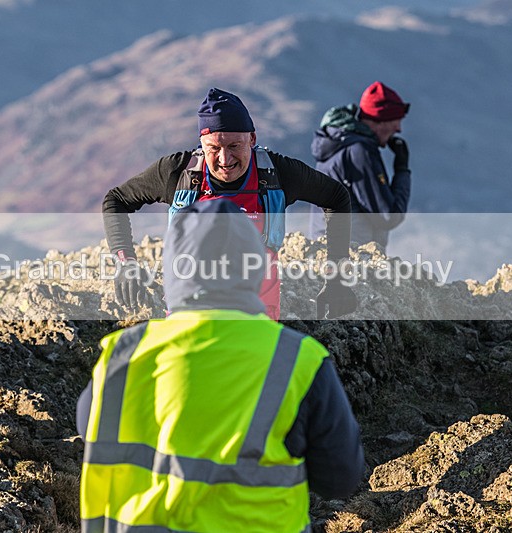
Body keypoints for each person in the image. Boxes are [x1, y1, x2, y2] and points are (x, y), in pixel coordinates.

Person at [78, 199, 365, 533]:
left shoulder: (125, 353)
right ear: (255, 267)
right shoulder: (297, 357)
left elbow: (90, 428)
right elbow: (340, 478)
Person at [103, 87, 355, 320]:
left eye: (234, 146)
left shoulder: (277, 174)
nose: (225, 158)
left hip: (257, 323)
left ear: (252, 139)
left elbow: (336, 197)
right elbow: (115, 200)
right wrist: (125, 263)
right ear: (201, 145)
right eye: (215, 148)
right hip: (190, 319)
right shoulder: (179, 173)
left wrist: (337, 278)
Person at [308, 81, 411, 250]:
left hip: (325, 250)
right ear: (381, 120)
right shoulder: (360, 151)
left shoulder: (335, 146)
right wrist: (402, 169)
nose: (399, 129)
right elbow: (388, 216)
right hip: (352, 257)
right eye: (396, 120)